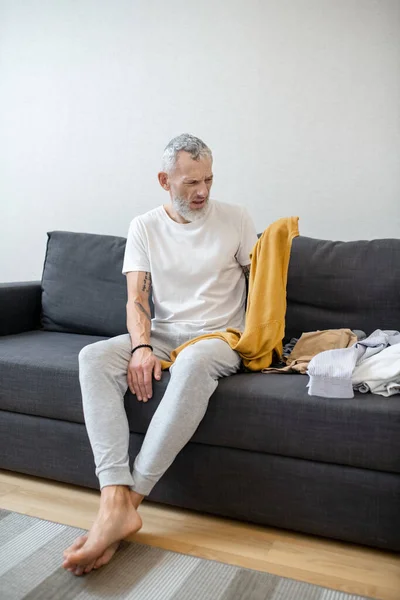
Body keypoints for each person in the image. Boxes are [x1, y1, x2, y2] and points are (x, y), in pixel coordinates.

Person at [62, 133, 258, 576]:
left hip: (221, 336)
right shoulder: (145, 226)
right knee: (94, 357)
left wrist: (261, 343)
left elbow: (262, 290)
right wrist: (142, 347)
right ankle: (113, 494)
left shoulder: (237, 219)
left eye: (208, 179)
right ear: (163, 179)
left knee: (193, 362)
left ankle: (128, 504)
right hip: (166, 333)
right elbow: (136, 299)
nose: (203, 191)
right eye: (190, 182)